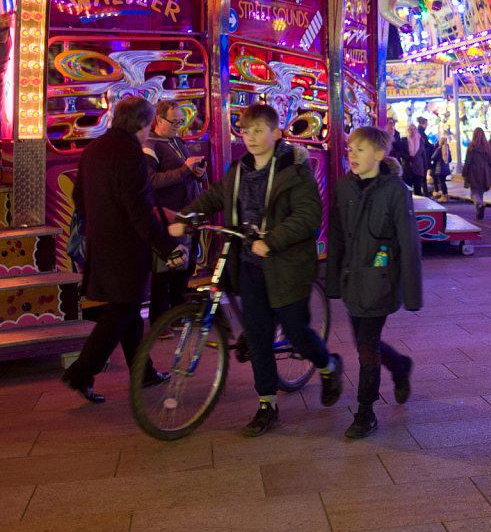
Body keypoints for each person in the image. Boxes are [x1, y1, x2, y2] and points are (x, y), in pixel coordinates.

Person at [170, 104, 341, 437]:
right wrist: (185, 218)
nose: (250, 137)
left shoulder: (295, 171)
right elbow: (214, 197)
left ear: (276, 134)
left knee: (296, 331)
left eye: (258, 130)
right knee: (258, 336)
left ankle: (327, 365)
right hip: (249, 265)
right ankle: (266, 405)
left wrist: (272, 240)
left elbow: (307, 217)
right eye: (246, 131)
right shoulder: (240, 169)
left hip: (287, 265)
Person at [62, 96, 186, 404]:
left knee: (128, 310)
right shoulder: (130, 153)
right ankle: (81, 372)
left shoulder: (94, 149)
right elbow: (140, 211)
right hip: (126, 248)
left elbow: (79, 198)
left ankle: (142, 371)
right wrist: (168, 248)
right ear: (142, 124)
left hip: (101, 242)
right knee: (121, 312)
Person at [326, 126, 421, 439]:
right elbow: (337, 236)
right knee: (365, 342)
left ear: (379, 155)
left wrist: (411, 292)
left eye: (360, 149)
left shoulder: (395, 191)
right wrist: (333, 281)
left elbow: (408, 243)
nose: (351, 154)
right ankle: (399, 364)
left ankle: (365, 412)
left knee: (366, 347)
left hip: (381, 279)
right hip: (353, 279)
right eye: (350, 148)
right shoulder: (343, 187)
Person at [144, 99, 206, 335]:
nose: (178, 126)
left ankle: (178, 314)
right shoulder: (151, 145)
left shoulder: (176, 141)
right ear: (158, 119)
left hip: (187, 212)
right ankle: (159, 322)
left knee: (185, 267)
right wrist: (184, 170)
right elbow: (150, 181)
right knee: (166, 270)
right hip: (167, 215)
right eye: (174, 121)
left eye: (181, 121)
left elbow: (184, 174)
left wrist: (197, 174)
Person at [463, 127, 491, 220]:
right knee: (481, 192)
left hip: (474, 171)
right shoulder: (487, 146)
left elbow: (468, 161)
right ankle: (479, 211)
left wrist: (465, 173)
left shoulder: (472, 146)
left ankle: (479, 205)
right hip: (485, 172)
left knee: (474, 193)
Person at [401, 123, 429, 196]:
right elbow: (401, 153)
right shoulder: (404, 140)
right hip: (407, 169)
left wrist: (425, 168)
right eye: (410, 129)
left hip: (418, 168)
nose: (412, 131)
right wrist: (408, 157)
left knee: (418, 190)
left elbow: (423, 155)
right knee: (407, 190)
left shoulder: (421, 141)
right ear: (407, 130)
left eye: (414, 129)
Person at [430, 135, 452, 202]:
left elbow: (433, 157)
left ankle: (444, 196)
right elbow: (450, 159)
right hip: (446, 168)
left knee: (442, 183)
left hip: (440, 168)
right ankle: (446, 195)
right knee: (443, 182)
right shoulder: (447, 149)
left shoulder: (439, 149)